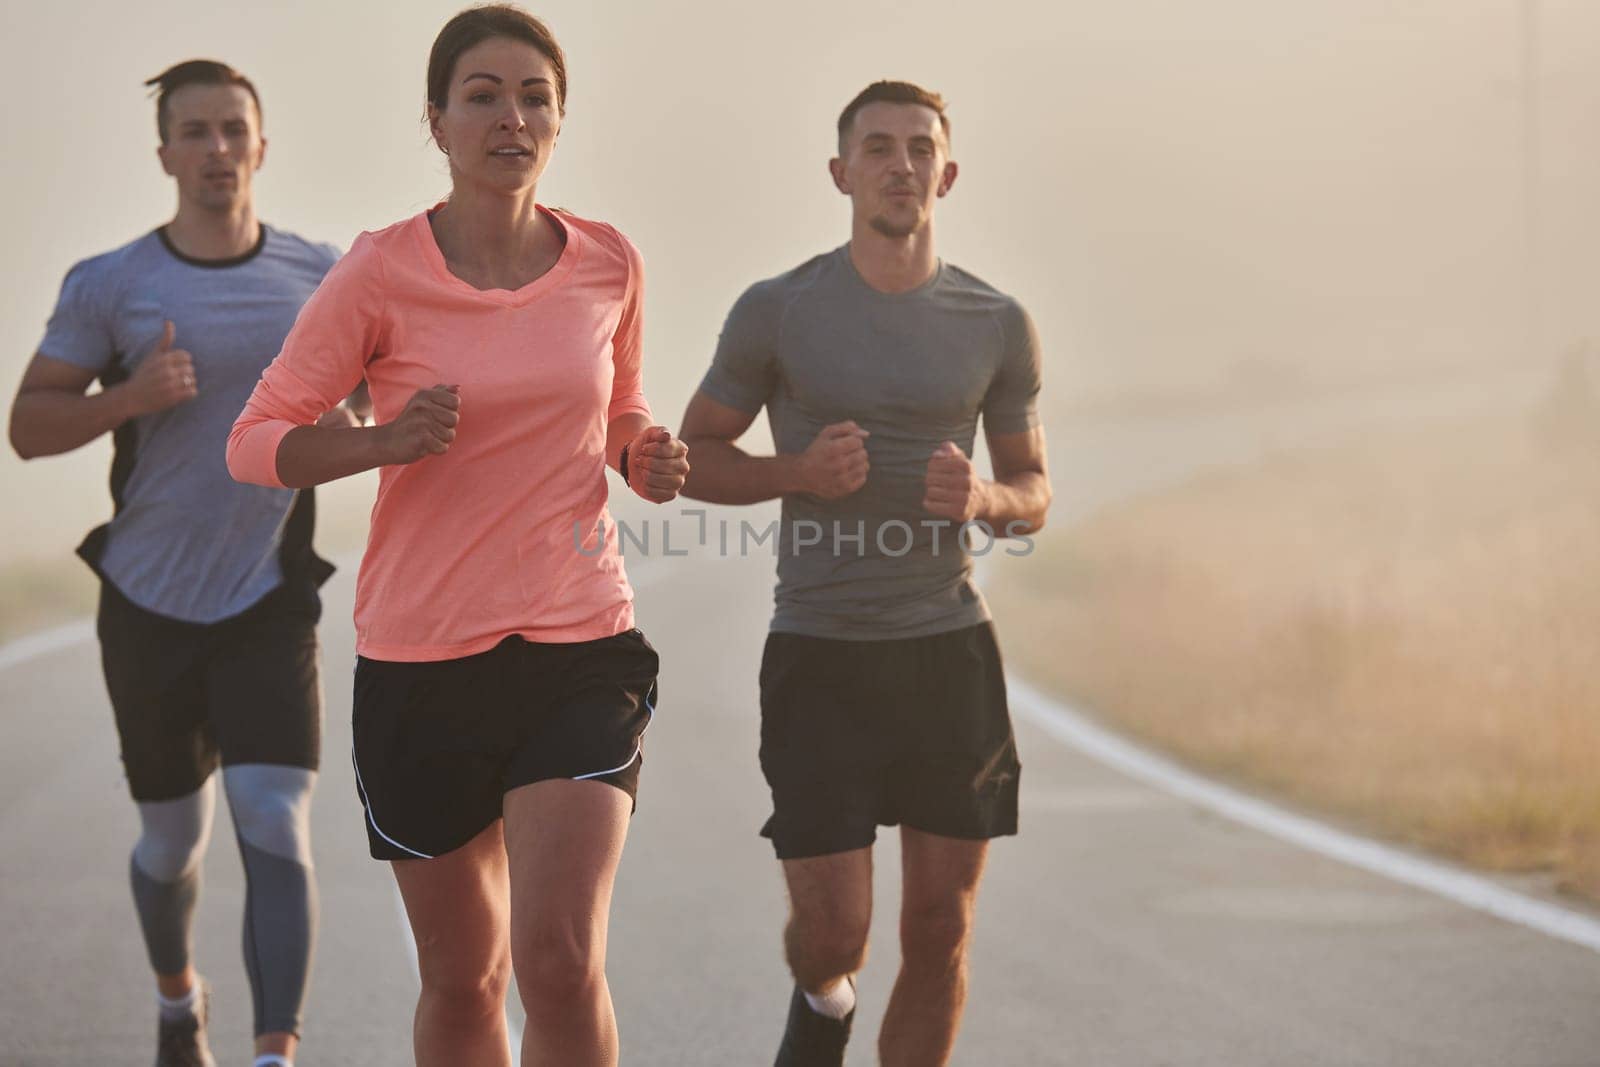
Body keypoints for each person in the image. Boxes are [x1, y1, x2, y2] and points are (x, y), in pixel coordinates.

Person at [226, 7, 689, 1066]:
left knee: (561, 958)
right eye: (482, 95)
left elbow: (620, 408)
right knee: (464, 975)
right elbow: (254, 442)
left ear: (560, 121)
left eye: (533, 97)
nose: (510, 117)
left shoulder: (608, 262)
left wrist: (641, 453)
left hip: (580, 643)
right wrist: (380, 442)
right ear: (437, 122)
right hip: (421, 657)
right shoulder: (379, 272)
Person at [678, 80, 1052, 1067]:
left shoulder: (995, 320)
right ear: (840, 174)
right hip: (819, 653)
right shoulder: (778, 310)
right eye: (877, 148)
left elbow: (1033, 486)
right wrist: (795, 472)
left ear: (947, 172)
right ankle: (823, 997)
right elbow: (694, 455)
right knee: (837, 928)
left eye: (918, 148)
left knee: (940, 929)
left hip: (946, 650)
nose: (900, 165)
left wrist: (983, 499)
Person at [7, 60, 356, 1067]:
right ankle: (176, 999)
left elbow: (376, 387)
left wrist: (357, 412)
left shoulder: (319, 276)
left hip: (268, 592)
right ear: (164, 153)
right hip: (148, 599)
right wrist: (129, 397)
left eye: (232, 130)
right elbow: (28, 428)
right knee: (173, 842)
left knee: (272, 817)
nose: (215, 150)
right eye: (194, 132)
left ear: (261, 143)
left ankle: (272, 1053)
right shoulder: (111, 283)